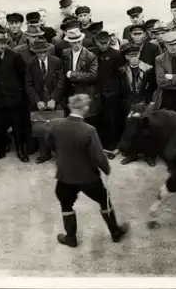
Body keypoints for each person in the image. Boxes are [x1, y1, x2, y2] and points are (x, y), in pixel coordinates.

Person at [46, 93, 129, 247]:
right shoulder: (89, 130)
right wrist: (107, 169)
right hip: (88, 177)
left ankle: (71, 238)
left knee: (66, 204)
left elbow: (50, 143)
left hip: (65, 176)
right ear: (84, 108)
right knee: (104, 201)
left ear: (70, 107)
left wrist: (64, 154)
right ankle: (115, 232)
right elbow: (98, 158)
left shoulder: (57, 125)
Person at [0, 26, 30, 164]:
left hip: (14, 99)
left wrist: (20, 95)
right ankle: (0, 151)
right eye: (0, 42)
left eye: (5, 42)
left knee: (17, 126)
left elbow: (22, 77)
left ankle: (21, 150)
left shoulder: (15, 56)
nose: (3, 45)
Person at [25, 39, 64, 164]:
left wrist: (54, 98)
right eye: (39, 52)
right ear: (35, 52)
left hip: (54, 100)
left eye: (43, 52)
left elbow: (61, 82)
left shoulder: (56, 62)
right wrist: (37, 101)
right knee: (41, 128)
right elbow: (28, 84)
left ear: (47, 50)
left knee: (57, 128)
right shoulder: (30, 64)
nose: (42, 55)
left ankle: (60, 154)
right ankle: (44, 153)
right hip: (39, 101)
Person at [117, 43, 156, 166]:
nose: (134, 58)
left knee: (146, 130)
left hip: (144, 102)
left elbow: (153, 87)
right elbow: (120, 88)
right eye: (130, 56)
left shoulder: (148, 69)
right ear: (126, 57)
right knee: (130, 130)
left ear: (139, 54)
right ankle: (132, 154)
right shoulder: (122, 70)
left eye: (136, 55)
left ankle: (149, 155)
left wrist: (150, 102)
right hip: (129, 102)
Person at [88, 31, 125, 158]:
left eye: (105, 43)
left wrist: (117, 93)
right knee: (96, 120)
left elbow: (120, 76)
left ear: (109, 41)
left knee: (110, 120)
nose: (103, 45)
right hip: (95, 92)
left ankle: (110, 148)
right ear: (96, 42)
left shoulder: (116, 54)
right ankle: (98, 147)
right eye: (100, 43)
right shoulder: (91, 53)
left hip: (111, 93)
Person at [59, 25, 99, 128]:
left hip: (84, 93)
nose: (77, 44)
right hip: (70, 94)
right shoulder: (65, 53)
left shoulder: (90, 56)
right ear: (69, 42)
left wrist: (73, 74)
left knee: (85, 124)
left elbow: (93, 75)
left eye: (79, 41)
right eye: (74, 42)